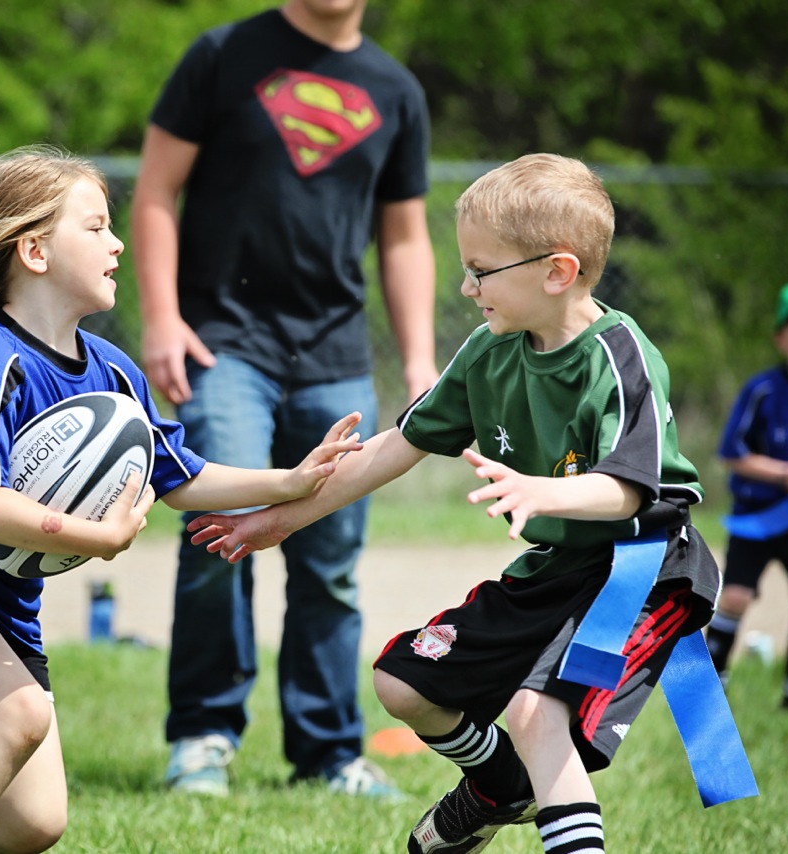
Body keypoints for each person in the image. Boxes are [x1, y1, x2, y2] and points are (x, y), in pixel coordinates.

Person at [188, 154, 720, 853]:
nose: (467, 287)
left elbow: (629, 487)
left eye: (482, 270)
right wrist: (278, 519)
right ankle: (501, 786)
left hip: (640, 571)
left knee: (536, 716)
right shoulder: (487, 351)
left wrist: (542, 490)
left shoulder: (619, 357)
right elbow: (396, 446)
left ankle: (522, 789)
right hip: (558, 568)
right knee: (403, 683)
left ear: (557, 271)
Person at [0, 146, 362, 854]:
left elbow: (178, 477)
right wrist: (91, 538)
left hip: (3, 605)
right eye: (94, 227)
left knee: (34, 824)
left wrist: (289, 482)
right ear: (34, 251)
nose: (117, 242)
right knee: (21, 715)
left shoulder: (114, 372)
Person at [130, 0, 437, 797]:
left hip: (335, 358)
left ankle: (331, 754)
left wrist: (421, 366)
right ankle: (202, 738)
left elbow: (404, 237)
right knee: (216, 539)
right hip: (221, 342)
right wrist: (162, 317)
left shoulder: (396, 89)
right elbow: (156, 192)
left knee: (331, 564)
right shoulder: (223, 54)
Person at [705, 277, 788, 709]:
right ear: (781, 337)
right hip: (758, 516)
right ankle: (711, 686)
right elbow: (732, 453)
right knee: (736, 597)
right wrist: (785, 473)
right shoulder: (762, 391)